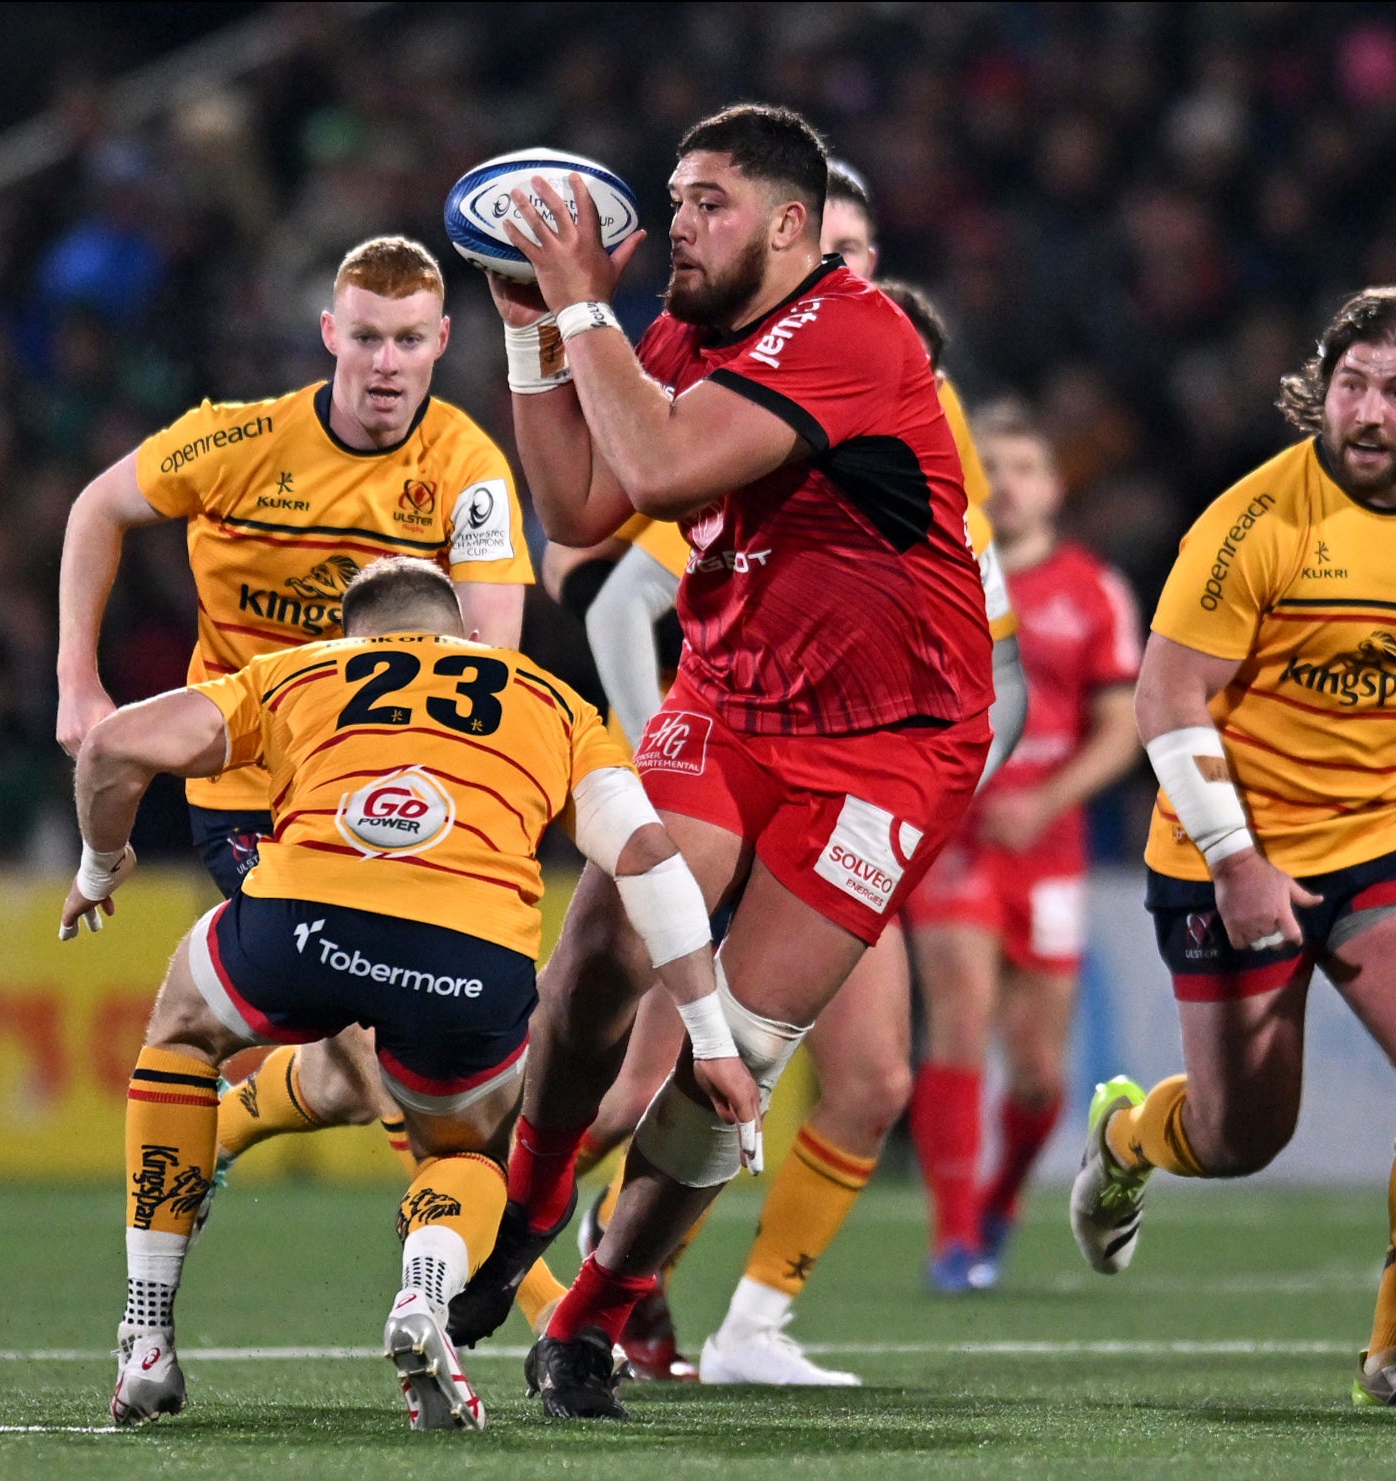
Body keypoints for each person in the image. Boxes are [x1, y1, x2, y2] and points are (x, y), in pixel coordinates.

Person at [456, 104, 993, 1420]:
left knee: (728, 1058)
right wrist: (534, 328)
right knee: (596, 951)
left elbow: (651, 461)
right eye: (676, 198)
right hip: (734, 698)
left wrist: (580, 307)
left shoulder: (856, 331)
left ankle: (589, 1316)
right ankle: (530, 1209)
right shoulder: (690, 325)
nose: (678, 223)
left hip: (889, 747)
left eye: (709, 203)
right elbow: (583, 508)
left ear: (793, 228)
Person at [64, 558, 754, 1430]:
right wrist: (711, 1035)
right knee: (466, 1155)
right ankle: (424, 1295)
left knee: (182, 1029)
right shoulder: (550, 701)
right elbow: (649, 861)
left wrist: (98, 866)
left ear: (354, 639)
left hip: (303, 925)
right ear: (464, 635)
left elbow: (111, 746)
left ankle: (148, 1334)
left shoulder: (302, 672)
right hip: (466, 961)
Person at [1068, 286, 1396, 1410]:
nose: (1368, 410)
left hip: (1387, 838)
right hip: (1224, 846)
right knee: (1241, 1137)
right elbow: (1166, 695)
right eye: (1350, 383)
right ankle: (1130, 1137)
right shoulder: (1251, 520)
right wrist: (1237, 860)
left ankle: (1395, 1355)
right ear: (1318, 388)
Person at [567, 266, 1029, 1384]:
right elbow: (622, 598)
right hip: (727, 769)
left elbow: (999, 671)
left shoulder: (920, 477)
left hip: (851, 793)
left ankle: (747, 1326)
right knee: (640, 1082)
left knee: (866, 1080)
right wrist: (661, 771)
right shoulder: (749, 432)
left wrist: (924, 801)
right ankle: (483, 1217)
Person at [54, 236, 534, 1184]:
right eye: (365, 337)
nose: (385, 364)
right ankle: (501, 1289)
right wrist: (78, 678)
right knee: (375, 1034)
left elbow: (494, 658)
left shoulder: (470, 471)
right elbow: (94, 510)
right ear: (329, 334)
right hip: (246, 783)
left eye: (406, 340)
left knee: (361, 1075)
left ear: (441, 340)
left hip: (382, 789)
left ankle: (233, 1123)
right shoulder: (238, 440)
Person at [906, 403, 1143, 1291]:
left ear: (1052, 486)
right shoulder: (939, 575)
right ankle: (954, 1236)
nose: (1003, 483)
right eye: (988, 466)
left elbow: (1121, 727)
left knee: (1040, 1075)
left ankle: (999, 1202)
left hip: (1048, 846)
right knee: (960, 1015)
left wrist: (1045, 798)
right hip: (957, 837)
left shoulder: (1093, 591)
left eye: (1023, 467)